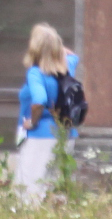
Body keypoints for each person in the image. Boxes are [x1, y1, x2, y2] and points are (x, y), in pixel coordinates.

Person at [14, 23, 79, 199]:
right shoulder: (68, 68)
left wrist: (32, 122)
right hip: (66, 132)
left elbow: (39, 100)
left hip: (40, 135)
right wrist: (53, 42)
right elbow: (73, 55)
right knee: (57, 188)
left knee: (29, 190)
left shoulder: (36, 73)